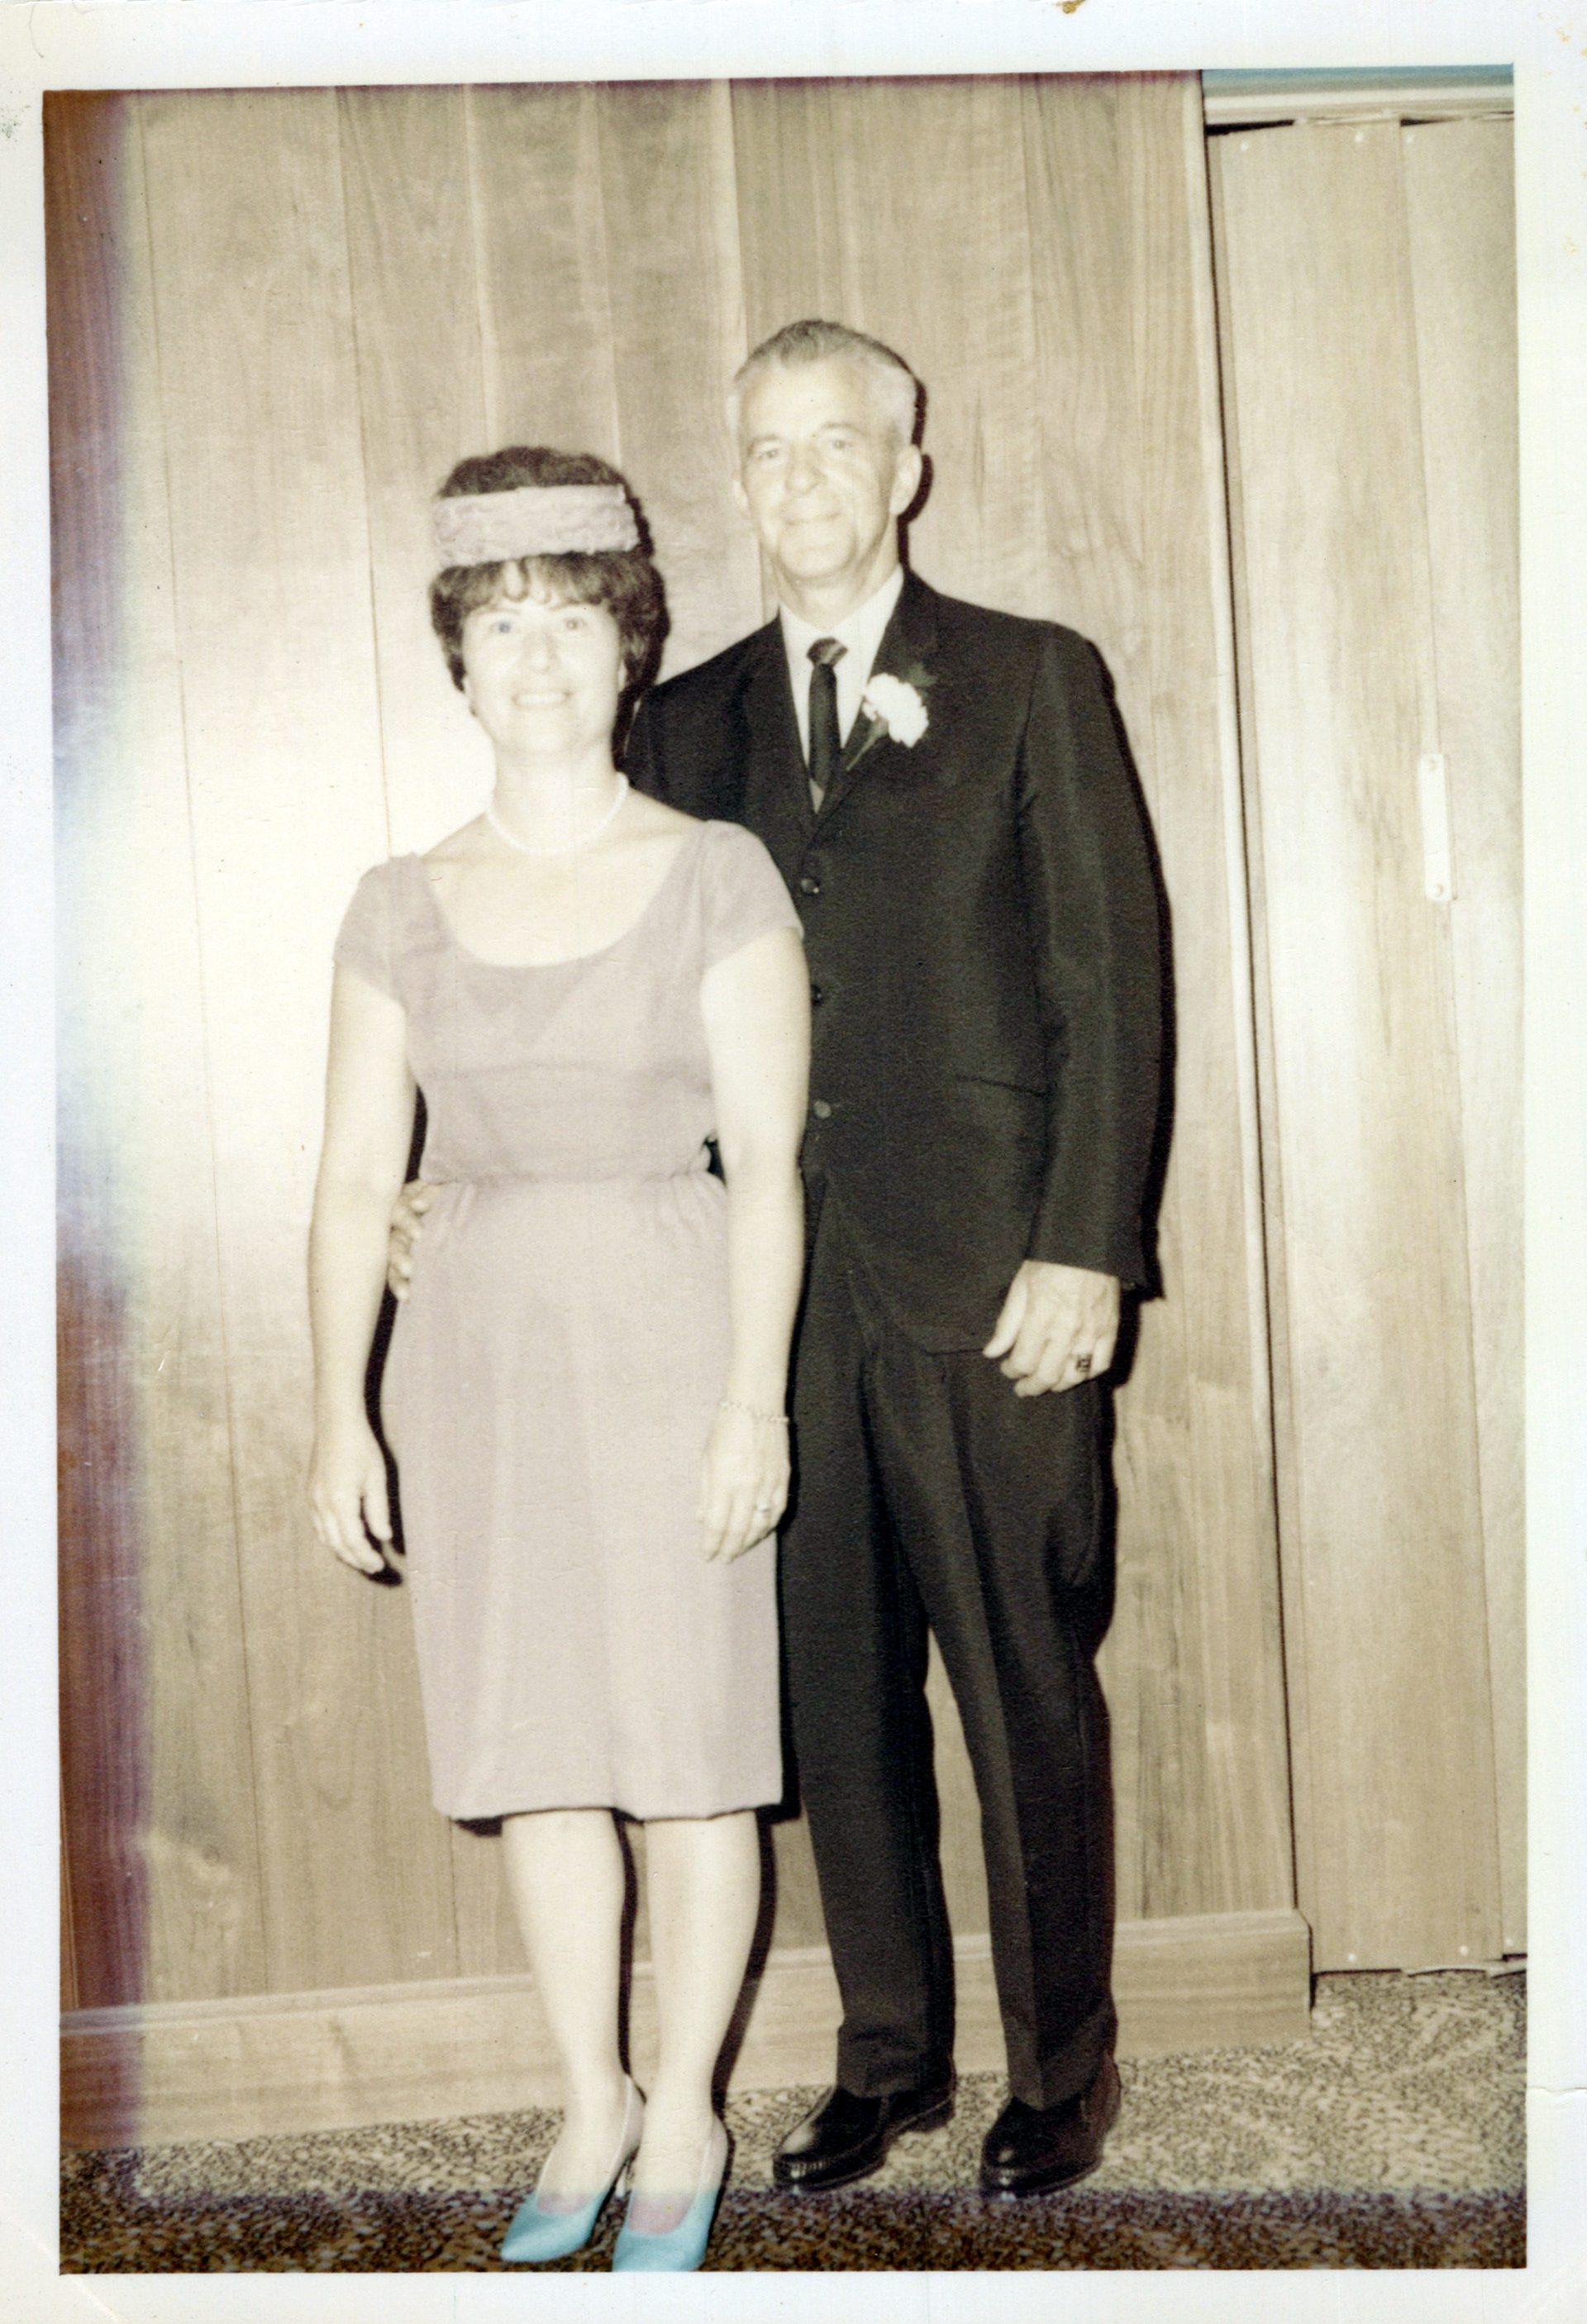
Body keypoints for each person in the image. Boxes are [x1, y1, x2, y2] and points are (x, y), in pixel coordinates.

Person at [395, 321, 1164, 2202]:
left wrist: (1084, 1246)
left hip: (991, 1282)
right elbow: (576, 969)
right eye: (768, 449)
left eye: (839, 444)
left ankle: (1060, 2068)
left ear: (907, 468)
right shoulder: (682, 721)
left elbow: (1111, 982)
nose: (803, 479)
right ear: (736, 480)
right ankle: (890, 2055)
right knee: (828, 1692)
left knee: (1022, 1680)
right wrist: (450, 1184)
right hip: (749, 1304)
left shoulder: (1031, 676)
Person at [307, 446, 810, 2273]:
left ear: (628, 649)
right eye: (504, 624)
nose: (539, 657)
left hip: (673, 1341)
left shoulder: (718, 875)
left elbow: (769, 1167)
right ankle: (591, 2095)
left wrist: (752, 1403)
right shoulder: (396, 900)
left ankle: (686, 2113)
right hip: (478, 1365)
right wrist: (337, 1409)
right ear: (458, 659)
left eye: (575, 620)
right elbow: (353, 1177)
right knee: (538, 1749)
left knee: (689, 1751)